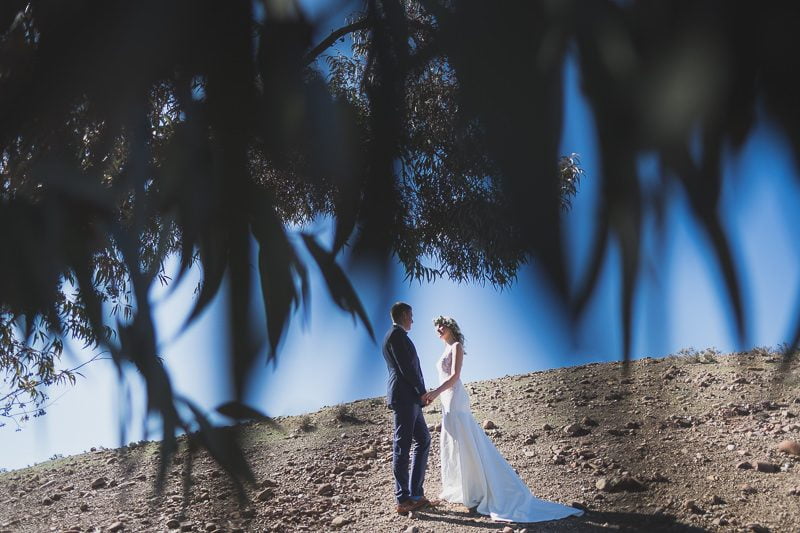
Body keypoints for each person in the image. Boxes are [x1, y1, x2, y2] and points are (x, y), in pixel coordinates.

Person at [422, 315, 584, 523]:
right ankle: (463, 487)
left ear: (450, 326)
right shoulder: (444, 349)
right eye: (436, 326)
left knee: (465, 439)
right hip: (445, 398)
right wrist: (436, 395)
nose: (438, 328)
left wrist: (434, 393)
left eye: (441, 325)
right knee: (454, 441)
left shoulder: (456, 347)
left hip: (454, 396)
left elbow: (455, 376)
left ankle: (481, 488)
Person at [381, 302, 434, 514]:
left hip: (410, 398)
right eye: (411, 315)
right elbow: (407, 368)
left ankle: (416, 494)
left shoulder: (397, 336)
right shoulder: (396, 336)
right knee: (402, 447)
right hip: (405, 397)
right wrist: (422, 391)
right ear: (403, 315)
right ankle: (403, 499)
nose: (413, 320)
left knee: (423, 439)